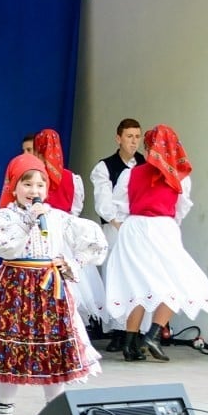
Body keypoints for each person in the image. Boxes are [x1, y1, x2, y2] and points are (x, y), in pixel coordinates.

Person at [0, 154, 106, 415]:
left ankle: (56, 411)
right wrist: (29, 221)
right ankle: (4, 412)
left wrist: (72, 263)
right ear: (14, 187)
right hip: (14, 288)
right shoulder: (6, 217)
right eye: (27, 184)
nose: (34, 191)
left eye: (40, 185)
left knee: (53, 348)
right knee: (10, 348)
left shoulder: (58, 218)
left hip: (50, 291)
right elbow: (3, 245)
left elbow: (94, 242)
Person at [104, 125, 208, 362]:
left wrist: (132, 220)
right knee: (177, 282)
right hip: (162, 227)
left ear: (148, 147)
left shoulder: (130, 173)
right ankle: (153, 334)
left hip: (133, 228)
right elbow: (180, 210)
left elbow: (119, 205)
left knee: (137, 286)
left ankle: (130, 344)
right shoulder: (179, 177)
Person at [32, 128, 107, 335]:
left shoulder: (36, 177)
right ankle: (71, 331)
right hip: (66, 233)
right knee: (72, 282)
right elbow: (75, 210)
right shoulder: (72, 178)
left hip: (43, 232)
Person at [89, 118, 145, 352]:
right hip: (115, 227)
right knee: (115, 277)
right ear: (118, 138)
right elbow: (103, 202)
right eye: (129, 136)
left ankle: (135, 331)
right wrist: (118, 224)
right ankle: (117, 331)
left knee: (137, 278)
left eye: (137, 137)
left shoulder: (143, 164)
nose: (134, 141)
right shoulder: (105, 166)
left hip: (138, 227)